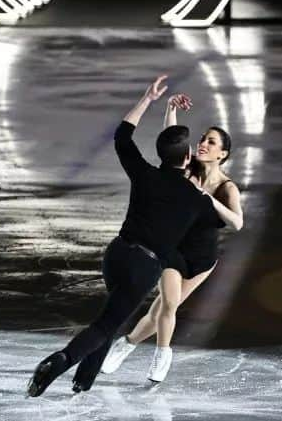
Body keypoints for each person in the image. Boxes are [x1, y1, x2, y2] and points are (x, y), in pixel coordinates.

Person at [27, 76, 221, 397]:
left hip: (116, 254)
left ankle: (84, 379)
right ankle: (59, 363)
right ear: (188, 159)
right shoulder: (195, 199)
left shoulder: (144, 173)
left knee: (113, 316)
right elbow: (203, 238)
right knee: (105, 324)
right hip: (144, 268)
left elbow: (122, 136)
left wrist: (149, 99)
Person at [100, 93, 243, 383]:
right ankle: (163, 354)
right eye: (202, 139)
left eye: (211, 142)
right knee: (168, 304)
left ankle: (126, 344)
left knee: (161, 313)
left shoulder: (227, 187)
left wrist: (209, 200)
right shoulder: (186, 171)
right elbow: (172, 144)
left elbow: (237, 223)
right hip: (172, 250)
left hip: (203, 259)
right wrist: (170, 109)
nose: (202, 143)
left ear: (222, 154)